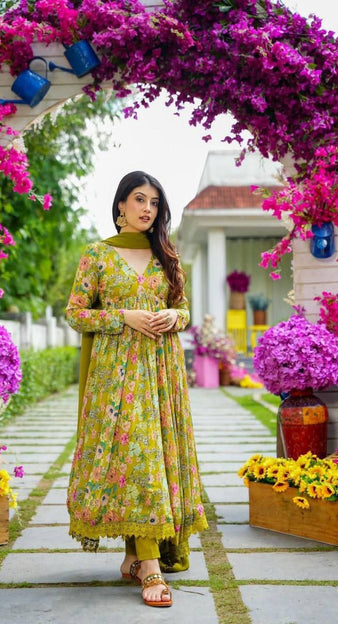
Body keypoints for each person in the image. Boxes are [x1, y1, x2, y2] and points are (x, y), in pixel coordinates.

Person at [66, 171, 208, 608]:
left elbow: (182, 309)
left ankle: (133, 554)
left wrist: (173, 319)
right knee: (138, 457)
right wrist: (121, 316)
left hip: (161, 374)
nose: (148, 208)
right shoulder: (97, 255)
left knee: (150, 459)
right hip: (115, 376)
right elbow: (75, 314)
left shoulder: (167, 255)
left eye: (154, 202)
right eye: (139, 199)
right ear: (120, 206)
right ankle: (149, 566)